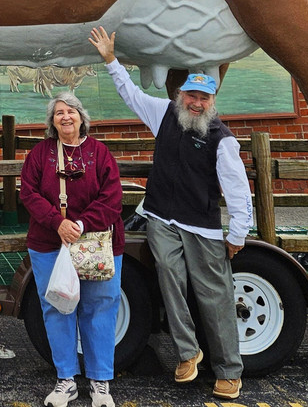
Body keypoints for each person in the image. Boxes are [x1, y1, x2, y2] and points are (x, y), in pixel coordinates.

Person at [88, 26, 253, 402]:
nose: (197, 103)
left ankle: (229, 370)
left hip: (203, 228)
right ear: (181, 95)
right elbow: (130, 94)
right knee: (168, 278)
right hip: (162, 218)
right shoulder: (163, 112)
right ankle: (187, 352)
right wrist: (111, 60)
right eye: (192, 95)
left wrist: (237, 235)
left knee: (215, 297)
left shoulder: (222, 139)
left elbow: (238, 190)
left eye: (204, 98)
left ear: (213, 101)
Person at [21, 92, 125, 407]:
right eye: (59, 113)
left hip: (98, 244)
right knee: (57, 308)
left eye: (71, 111)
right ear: (52, 122)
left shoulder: (100, 153)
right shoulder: (39, 154)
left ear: (82, 117)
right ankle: (66, 380)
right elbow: (29, 192)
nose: (66, 117)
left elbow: (112, 197)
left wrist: (80, 224)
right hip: (50, 244)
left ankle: (100, 384)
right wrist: (57, 222)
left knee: (100, 310)